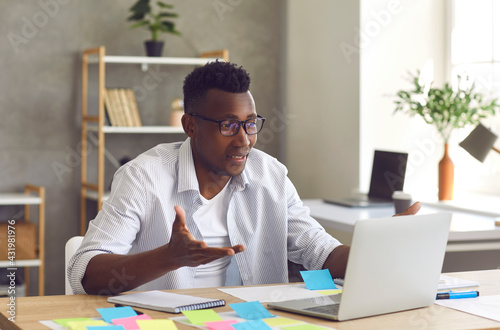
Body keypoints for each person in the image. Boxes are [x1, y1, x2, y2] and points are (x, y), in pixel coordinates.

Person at [68, 61, 421, 295]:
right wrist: (170, 257)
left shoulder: (271, 174)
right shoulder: (143, 177)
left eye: (250, 124)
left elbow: (318, 251)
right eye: (228, 125)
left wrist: (376, 247)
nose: (244, 139)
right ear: (190, 125)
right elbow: (85, 274)